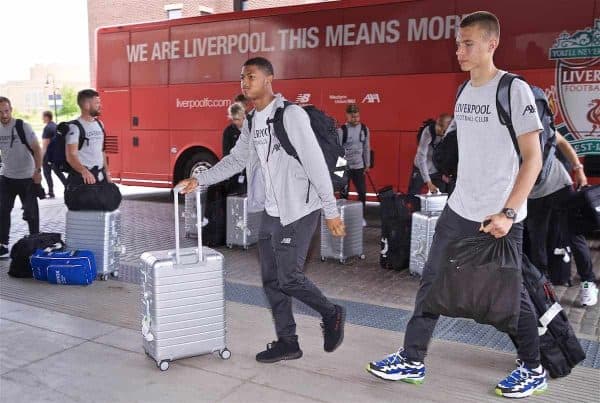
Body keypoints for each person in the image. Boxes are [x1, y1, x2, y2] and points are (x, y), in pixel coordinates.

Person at [366, 12, 548, 399]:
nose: (459, 50)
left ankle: (533, 368)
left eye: (467, 43)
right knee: (431, 282)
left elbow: (533, 158)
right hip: (460, 208)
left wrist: (509, 212)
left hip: (499, 216)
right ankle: (412, 359)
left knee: (507, 295)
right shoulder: (464, 91)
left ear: (491, 44)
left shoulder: (513, 89)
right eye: (458, 43)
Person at [178, 57, 347, 363]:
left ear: (269, 79)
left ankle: (331, 313)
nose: (245, 82)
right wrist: (198, 179)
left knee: (290, 277)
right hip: (271, 211)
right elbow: (235, 160)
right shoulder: (254, 121)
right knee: (271, 280)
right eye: (242, 78)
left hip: (299, 209)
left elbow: (315, 163)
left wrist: (331, 211)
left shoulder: (291, 115)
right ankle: (288, 342)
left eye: (251, 76)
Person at [527, 134, 598, 306]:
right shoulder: (505, 131)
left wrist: (579, 169)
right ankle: (545, 288)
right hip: (532, 192)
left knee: (573, 235)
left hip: (559, 185)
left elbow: (562, 142)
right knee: (537, 241)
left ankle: (588, 282)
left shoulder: (538, 120)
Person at [0, 96, 43, 258]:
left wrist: (38, 172)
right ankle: (3, 244)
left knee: (31, 214)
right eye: (0, 112)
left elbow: (37, 149)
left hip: (27, 178)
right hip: (6, 177)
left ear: (11, 110)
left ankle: (35, 243)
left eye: (6, 111)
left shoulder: (22, 126)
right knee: (3, 211)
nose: (4, 115)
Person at [65, 89, 112, 188]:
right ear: (86, 105)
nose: (100, 106)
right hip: (84, 179)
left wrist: (107, 173)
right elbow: (71, 155)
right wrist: (84, 171)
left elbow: (102, 151)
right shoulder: (74, 127)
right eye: (97, 103)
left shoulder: (100, 124)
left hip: (100, 178)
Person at [337, 103, 370, 226]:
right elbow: (337, 151)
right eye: (352, 117)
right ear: (347, 116)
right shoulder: (341, 131)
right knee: (343, 194)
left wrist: (367, 164)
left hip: (359, 166)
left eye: (357, 116)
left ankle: (361, 217)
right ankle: (341, 217)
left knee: (362, 192)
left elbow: (366, 147)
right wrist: (338, 171)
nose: (355, 119)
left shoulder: (364, 129)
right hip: (344, 165)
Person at [407, 113, 452, 195]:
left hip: (437, 170)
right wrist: (428, 182)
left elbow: (447, 156)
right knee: (413, 196)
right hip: (421, 168)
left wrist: (445, 173)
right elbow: (421, 158)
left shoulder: (451, 133)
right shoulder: (428, 132)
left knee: (447, 193)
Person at [222, 102, 246, 195]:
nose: (237, 122)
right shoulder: (228, 131)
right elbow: (226, 154)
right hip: (235, 172)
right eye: (234, 119)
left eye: (239, 119)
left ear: (244, 116)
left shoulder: (251, 128)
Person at [41, 110, 67, 198]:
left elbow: (45, 145)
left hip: (48, 155)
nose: (42, 118)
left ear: (46, 117)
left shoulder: (47, 128)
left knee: (47, 173)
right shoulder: (55, 126)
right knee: (58, 171)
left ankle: (51, 192)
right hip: (56, 154)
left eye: (43, 116)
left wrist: (41, 158)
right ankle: (68, 186)